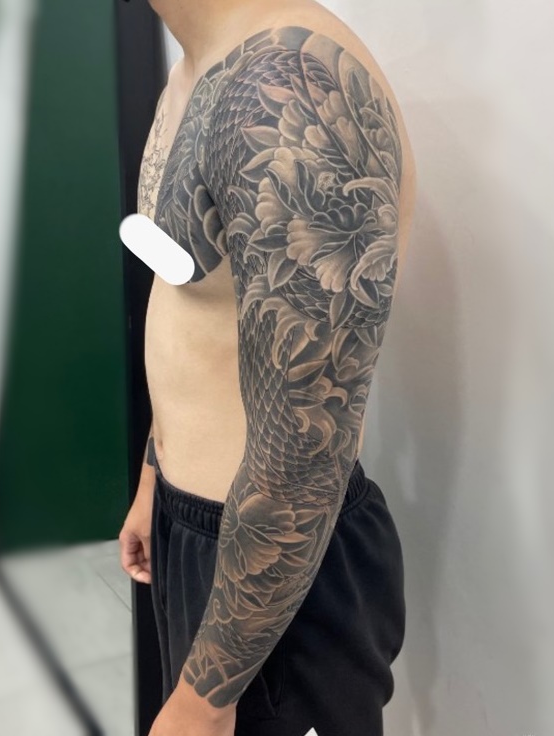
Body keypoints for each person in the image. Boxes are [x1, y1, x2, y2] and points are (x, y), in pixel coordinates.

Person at [119, 1, 416, 734]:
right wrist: (155, 473)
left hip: (275, 568)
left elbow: (306, 446)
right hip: (197, 530)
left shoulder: (290, 87)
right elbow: (193, 312)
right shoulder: (191, 72)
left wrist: (203, 702)